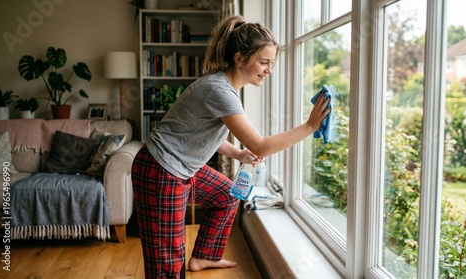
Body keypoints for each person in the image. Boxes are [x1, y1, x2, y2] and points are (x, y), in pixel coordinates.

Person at [131, 14, 330, 279]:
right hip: (161, 170)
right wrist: (309, 127)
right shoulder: (220, 90)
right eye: (264, 62)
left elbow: (198, 132)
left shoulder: (224, 85)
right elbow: (260, 145)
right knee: (167, 262)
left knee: (226, 195)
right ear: (240, 58)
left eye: (272, 63)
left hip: (182, 167)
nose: (269, 70)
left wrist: (236, 152)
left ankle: (204, 256)